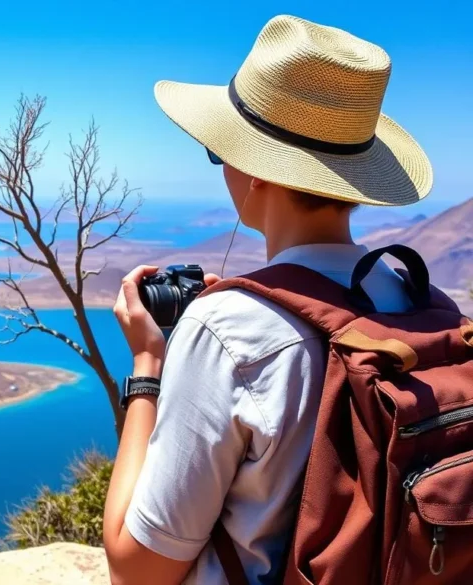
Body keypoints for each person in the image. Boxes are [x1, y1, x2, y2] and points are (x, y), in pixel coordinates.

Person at [102, 14, 432, 585]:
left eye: (220, 151)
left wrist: (148, 368)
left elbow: (137, 570)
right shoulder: (414, 295)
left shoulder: (228, 328)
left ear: (254, 167)